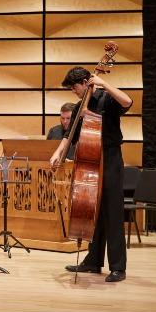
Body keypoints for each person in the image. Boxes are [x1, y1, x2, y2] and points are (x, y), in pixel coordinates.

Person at [49, 67, 132, 283]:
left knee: (112, 213)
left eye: (75, 87)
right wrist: (58, 153)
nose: (74, 92)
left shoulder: (107, 99)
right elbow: (69, 135)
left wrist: (103, 83)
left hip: (111, 158)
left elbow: (127, 102)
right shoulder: (79, 107)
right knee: (93, 213)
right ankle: (93, 261)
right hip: (90, 160)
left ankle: (118, 267)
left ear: (86, 82)